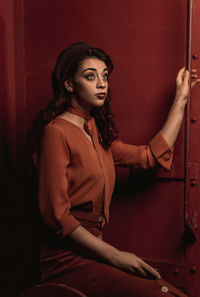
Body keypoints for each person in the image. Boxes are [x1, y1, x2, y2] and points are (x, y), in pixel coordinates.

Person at [27, 41, 199, 297]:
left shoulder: (95, 133)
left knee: (167, 291)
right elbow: (57, 216)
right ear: (69, 84)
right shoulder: (56, 132)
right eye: (90, 76)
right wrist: (116, 256)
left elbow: (150, 156)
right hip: (64, 259)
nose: (101, 83)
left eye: (105, 76)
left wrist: (181, 99)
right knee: (157, 293)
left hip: (95, 250)